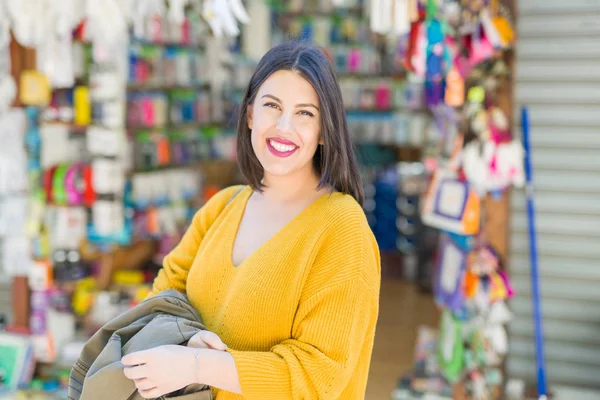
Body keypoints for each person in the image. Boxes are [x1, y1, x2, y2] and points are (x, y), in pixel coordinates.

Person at [121, 41, 381, 400]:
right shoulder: (223, 206)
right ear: (250, 116)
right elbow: (163, 297)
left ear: (324, 131)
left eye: (305, 113)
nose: (284, 126)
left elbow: (317, 376)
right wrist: (185, 336)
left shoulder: (341, 228)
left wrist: (196, 365)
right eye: (272, 106)